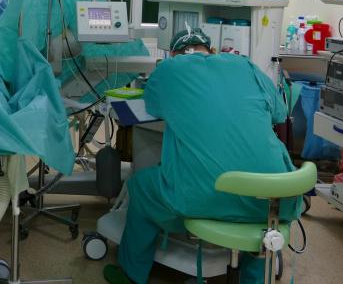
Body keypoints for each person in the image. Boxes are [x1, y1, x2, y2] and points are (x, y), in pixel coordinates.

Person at [104, 28, 300, 284]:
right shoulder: (245, 65)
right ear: (212, 51)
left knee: (141, 187)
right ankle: (253, 278)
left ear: (172, 54)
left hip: (201, 195)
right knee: (261, 214)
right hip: (274, 196)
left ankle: (131, 275)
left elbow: (153, 106)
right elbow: (278, 112)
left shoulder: (168, 71)